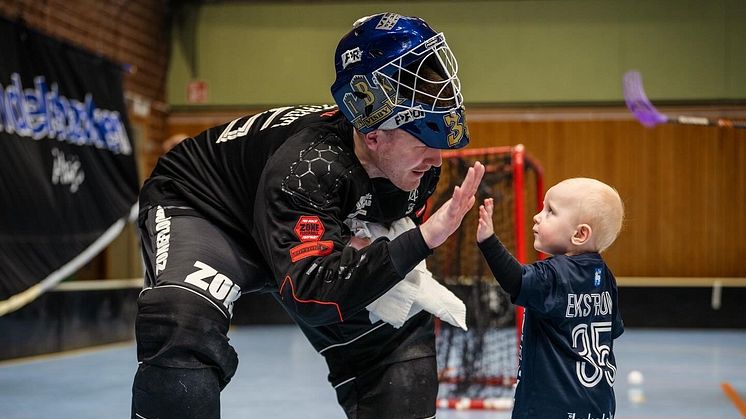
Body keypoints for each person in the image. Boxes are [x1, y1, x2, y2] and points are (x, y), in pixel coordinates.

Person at [131, 12, 484, 419]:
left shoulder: (416, 170)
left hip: (298, 221)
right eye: (424, 137)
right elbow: (309, 294)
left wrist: (375, 255)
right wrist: (417, 241)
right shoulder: (307, 165)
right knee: (180, 319)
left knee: (399, 329)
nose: (437, 159)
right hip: (211, 209)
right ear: (373, 135)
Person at [476, 177, 625, 419]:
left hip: (551, 406)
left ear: (580, 234)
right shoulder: (606, 276)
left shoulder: (556, 274)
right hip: (599, 404)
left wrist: (489, 242)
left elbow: (516, 279)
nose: (537, 216)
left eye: (550, 212)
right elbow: (612, 331)